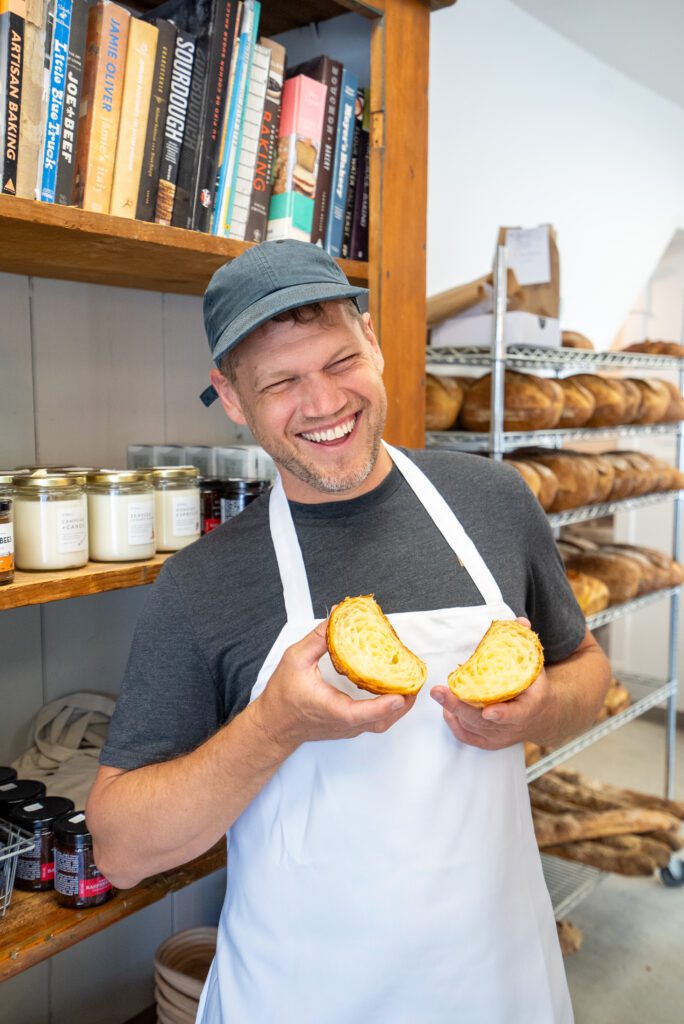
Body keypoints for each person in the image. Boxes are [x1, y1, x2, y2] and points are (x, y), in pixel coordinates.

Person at [87, 239, 611, 1023]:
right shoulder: (203, 583)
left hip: (500, 981)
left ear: (374, 341)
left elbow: (588, 671)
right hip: (305, 995)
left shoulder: (495, 504)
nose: (325, 402)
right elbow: (121, 850)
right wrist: (274, 725)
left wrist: (539, 713)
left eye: (339, 361)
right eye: (281, 382)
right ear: (231, 398)